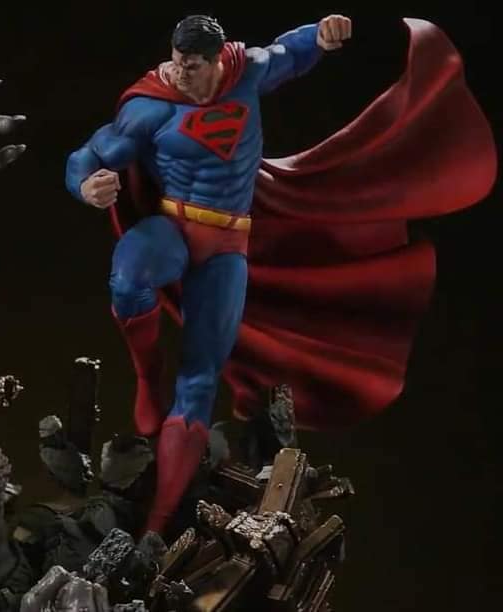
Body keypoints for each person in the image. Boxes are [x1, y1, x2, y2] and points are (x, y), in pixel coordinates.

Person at [65, 14, 496, 535]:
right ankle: (145, 376)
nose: (180, 73)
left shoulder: (246, 71)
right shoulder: (152, 105)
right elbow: (90, 153)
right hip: (173, 230)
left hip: (227, 245)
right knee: (128, 273)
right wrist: (85, 186)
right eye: (176, 62)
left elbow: (289, 52)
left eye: (192, 66)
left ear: (217, 61)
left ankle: (158, 524)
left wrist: (321, 34)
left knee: (199, 381)